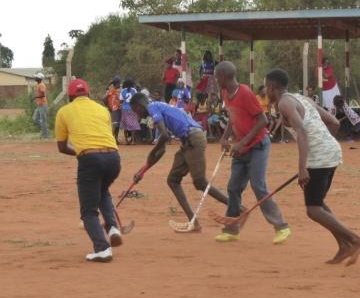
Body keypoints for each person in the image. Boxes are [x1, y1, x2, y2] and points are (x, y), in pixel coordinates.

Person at [265, 69, 360, 265]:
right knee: (318, 203)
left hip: (320, 156)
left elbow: (302, 131)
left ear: (271, 87)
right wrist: (323, 145)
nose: (265, 92)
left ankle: (355, 241)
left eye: (265, 88)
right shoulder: (303, 98)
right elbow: (334, 122)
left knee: (313, 209)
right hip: (330, 151)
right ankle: (344, 246)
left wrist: (304, 166)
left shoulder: (284, 103)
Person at [214, 61, 291, 243]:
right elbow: (233, 118)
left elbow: (262, 121)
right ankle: (232, 229)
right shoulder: (225, 92)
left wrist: (243, 143)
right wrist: (225, 138)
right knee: (233, 187)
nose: (215, 80)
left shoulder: (245, 93)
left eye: (217, 76)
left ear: (224, 77)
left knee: (258, 185)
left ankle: (281, 227)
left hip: (257, 146)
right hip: (241, 148)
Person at [129, 92, 228, 232]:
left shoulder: (152, 107)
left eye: (135, 111)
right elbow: (161, 149)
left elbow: (164, 136)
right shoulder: (157, 107)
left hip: (193, 138)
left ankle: (237, 208)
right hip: (188, 141)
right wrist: (143, 170)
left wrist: (150, 155)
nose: (137, 115)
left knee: (200, 182)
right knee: (173, 180)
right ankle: (194, 222)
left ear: (139, 106)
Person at [55, 78, 121, 262]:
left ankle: (102, 249)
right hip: (114, 158)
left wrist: (82, 153)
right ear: (88, 93)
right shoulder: (102, 109)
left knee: (88, 211)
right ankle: (112, 227)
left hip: (90, 159)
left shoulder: (64, 112)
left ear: (70, 96)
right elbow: (106, 136)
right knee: (102, 191)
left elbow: (61, 147)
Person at [119, 79, 140, 144]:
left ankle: (127, 141)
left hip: (125, 109)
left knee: (125, 125)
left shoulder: (123, 91)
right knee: (133, 125)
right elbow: (137, 99)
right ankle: (133, 140)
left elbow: (121, 101)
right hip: (132, 109)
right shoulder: (134, 90)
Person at [103, 77, 121, 144]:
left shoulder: (117, 90)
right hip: (114, 109)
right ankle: (109, 140)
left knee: (117, 125)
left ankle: (116, 139)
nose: (120, 85)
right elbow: (104, 99)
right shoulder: (112, 90)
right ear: (117, 83)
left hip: (118, 109)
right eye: (119, 83)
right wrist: (109, 106)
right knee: (114, 125)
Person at [32, 72, 49, 138]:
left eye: (36, 77)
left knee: (43, 120)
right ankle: (45, 129)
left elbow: (43, 94)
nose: (35, 78)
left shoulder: (41, 85)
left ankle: (45, 135)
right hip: (40, 105)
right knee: (35, 118)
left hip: (43, 104)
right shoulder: (39, 84)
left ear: (39, 78)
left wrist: (36, 97)